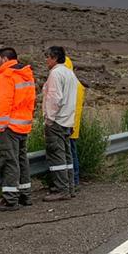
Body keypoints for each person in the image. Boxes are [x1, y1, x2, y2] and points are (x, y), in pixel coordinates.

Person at [0, 47, 36, 210]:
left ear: (4, 59)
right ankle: (26, 196)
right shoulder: (26, 74)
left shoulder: (6, 76)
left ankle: (10, 200)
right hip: (24, 125)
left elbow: (4, 102)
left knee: (9, 162)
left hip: (9, 126)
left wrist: (1, 126)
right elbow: (30, 101)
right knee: (22, 161)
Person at [42, 46, 80, 202]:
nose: (46, 60)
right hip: (67, 120)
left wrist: (49, 119)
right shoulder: (70, 73)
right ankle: (69, 187)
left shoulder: (56, 74)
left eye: (47, 57)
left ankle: (61, 189)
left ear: (54, 58)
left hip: (57, 121)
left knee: (57, 156)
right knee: (66, 155)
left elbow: (54, 98)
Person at [64, 54, 86, 194]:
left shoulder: (71, 83)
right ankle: (74, 180)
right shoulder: (75, 82)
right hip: (72, 124)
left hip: (69, 125)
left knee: (70, 154)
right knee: (72, 153)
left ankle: (74, 180)